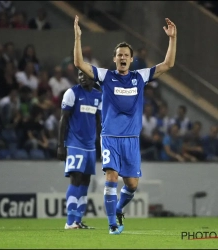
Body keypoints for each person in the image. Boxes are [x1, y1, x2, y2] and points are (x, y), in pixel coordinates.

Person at [73, 15, 177, 234]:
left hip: (131, 140)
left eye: (126, 55)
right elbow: (79, 64)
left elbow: (168, 64)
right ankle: (112, 225)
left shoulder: (140, 77)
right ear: (114, 59)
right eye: (119, 55)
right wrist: (77, 37)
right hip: (110, 137)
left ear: (131, 60)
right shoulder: (105, 76)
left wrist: (172, 39)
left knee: (131, 185)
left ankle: (119, 209)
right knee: (111, 178)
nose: (122, 58)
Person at [57, 70, 102, 229]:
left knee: (85, 182)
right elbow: (63, 119)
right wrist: (61, 145)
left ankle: (78, 220)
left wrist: (103, 145)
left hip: (90, 147)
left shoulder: (98, 96)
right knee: (75, 179)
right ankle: (69, 222)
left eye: (86, 75)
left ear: (93, 78)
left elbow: (99, 122)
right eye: (80, 75)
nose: (82, 77)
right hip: (75, 144)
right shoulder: (72, 93)